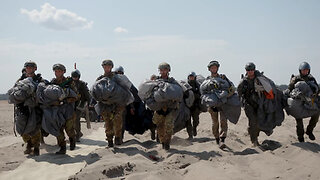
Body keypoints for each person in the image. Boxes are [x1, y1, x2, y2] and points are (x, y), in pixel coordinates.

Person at [95, 59, 132, 147]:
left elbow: (125, 89)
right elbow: (96, 91)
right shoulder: (100, 79)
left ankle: (118, 138)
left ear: (111, 67)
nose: (107, 68)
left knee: (118, 122)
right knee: (108, 124)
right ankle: (110, 141)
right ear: (103, 67)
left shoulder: (117, 78)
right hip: (105, 105)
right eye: (105, 66)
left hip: (118, 105)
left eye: (109, 66)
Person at [14, 61, 43, 156]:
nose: (29, 69)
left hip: (35, 107)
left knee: (35, 127)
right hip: (23, 107)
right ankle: (29, 144)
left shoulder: (39, 79)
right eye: (27, 67)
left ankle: (36, 147)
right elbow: (15, 91)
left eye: (31, 67)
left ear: (35, 68)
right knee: (22, 128)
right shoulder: (20, 80)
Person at [287, 62, 319, 142]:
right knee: (299, 121)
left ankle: (309, 131)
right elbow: (289, 90)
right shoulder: (295, 79)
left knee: (316, 113)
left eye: (307, 70)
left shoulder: (311, 78)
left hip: (309, 101)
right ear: (300, 70)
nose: (305, 72)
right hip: (298, 103)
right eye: (303, 70)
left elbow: (316, 89)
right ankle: (300, 138)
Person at [206, 61, 235, 148]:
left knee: (223, 121)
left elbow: (232, 88)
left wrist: (226, 96)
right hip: (212, 105)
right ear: (209, 69)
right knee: (215, 123)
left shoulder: (223, 78)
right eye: (212, 68)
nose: (214, 69)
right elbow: (204, 92)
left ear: (217, 68)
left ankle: (222, 139)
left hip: (223, 104)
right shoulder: (207, 80)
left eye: (215, 67)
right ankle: (217, 139)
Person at [152, 62, 181, 150]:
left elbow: (178, 93)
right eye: (161, 70)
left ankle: (167, 143)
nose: (163, 72)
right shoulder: (155, 82)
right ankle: (163, 142)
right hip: (159, 108)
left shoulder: (172, 82)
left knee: (169, 126)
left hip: (170, 108)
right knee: (160, 127)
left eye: (165, 70)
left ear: (168, 70)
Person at [51, 64, 78, 154]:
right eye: (56, 71)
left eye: (59, 71)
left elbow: (76, 95)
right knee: (58, 129)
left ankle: (72, 140)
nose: (57, 73)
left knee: (69, 129)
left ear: (63, 72)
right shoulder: (53, 82)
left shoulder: (69, 82)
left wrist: (66, 100)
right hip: (57, 109)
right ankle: (62, 147)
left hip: (68, 109)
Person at [71, 69, 91, 142]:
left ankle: (77, 135)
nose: (75, 78)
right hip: (71, 104)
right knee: (70, 120)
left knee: (76, 120)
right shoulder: (70, 83)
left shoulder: (82, 84)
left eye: (76, 77)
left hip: (80, 104)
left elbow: (87, 94)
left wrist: (88, 102)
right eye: (73, 76)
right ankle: (77, 133)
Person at [187, 72, 201, 137]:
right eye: (190, 77)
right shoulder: (186, 85)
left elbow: (201, 94)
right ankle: (190, 135)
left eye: (192, 77)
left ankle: (194, 128)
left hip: (195, 106)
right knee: (188, 121)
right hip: (187, 106)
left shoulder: (197, 85)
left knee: (196, 121)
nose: (191, 78)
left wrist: (195, 95)